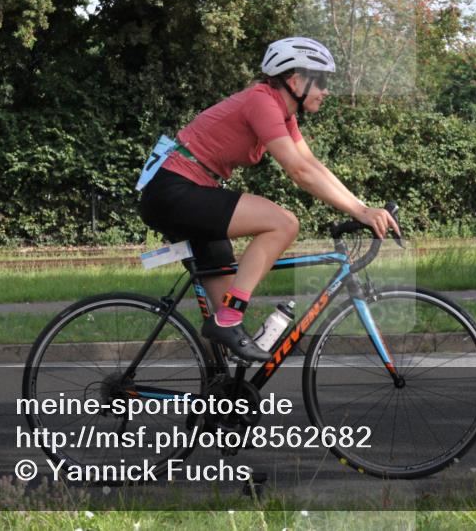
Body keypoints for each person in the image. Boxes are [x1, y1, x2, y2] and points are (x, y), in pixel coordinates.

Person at [139, 37, 400, 361]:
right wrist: (360, 211)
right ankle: (229, 321)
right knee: (284, 223)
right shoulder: (261, 102)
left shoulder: (283, 113)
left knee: (228, 335)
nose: (326, 90)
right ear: (296, 80)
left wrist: (361, 207)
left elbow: (312, 164)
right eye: (321, 81)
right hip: (176, 190)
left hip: (190, 190)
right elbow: (298, 172)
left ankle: (221, 397)